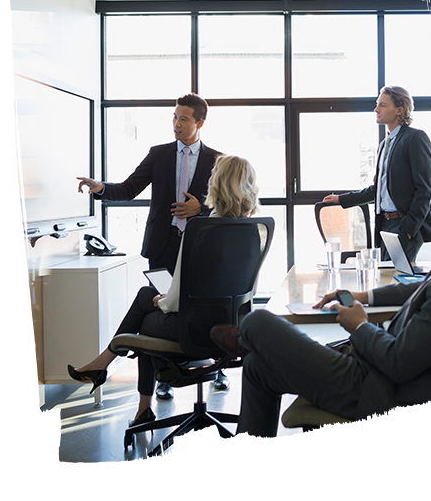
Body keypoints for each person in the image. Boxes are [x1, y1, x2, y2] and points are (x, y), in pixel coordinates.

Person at [68, 155, 260, 428]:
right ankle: (109, 370)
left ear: (217, 182)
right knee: (147, 299)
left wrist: (164, 302)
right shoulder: (253, 229)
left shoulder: (203, 230)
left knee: (146, 314)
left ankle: (134, 396)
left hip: (194, 330)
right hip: (231, 328)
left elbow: (181, 293)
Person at [76, 93, 228, 397]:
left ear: (200, 122)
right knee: (161, 310)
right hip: (163, 246)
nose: (176, 123)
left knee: (201, 303)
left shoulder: (217, 160)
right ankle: (164, 376)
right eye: (174, 117)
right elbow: (131, 188)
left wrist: (202, 209)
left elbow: (227, 204)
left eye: (183, 118)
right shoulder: (158, 154)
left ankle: (217, 368)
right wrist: (101, 188)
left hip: (200, 249)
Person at [210, 274, 431, 463]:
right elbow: (419, 287)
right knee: (256, 367)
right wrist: (362, 297)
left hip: (380, 391)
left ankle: (247, 340)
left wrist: (360, 327)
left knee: (256, 322)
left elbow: (399, 363)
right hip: (373, 369)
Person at [322, 85, 431, 262]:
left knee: (396, 284)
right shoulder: (383, 145)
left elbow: (425, 189)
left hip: (403, 224)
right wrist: (342, 199)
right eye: (377, 104)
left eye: (383, 105)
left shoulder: (415, 138)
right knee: (386, 280)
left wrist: (410, 227)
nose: (376, 109)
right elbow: (378, 189)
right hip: (384, 223)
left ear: (399, 110)